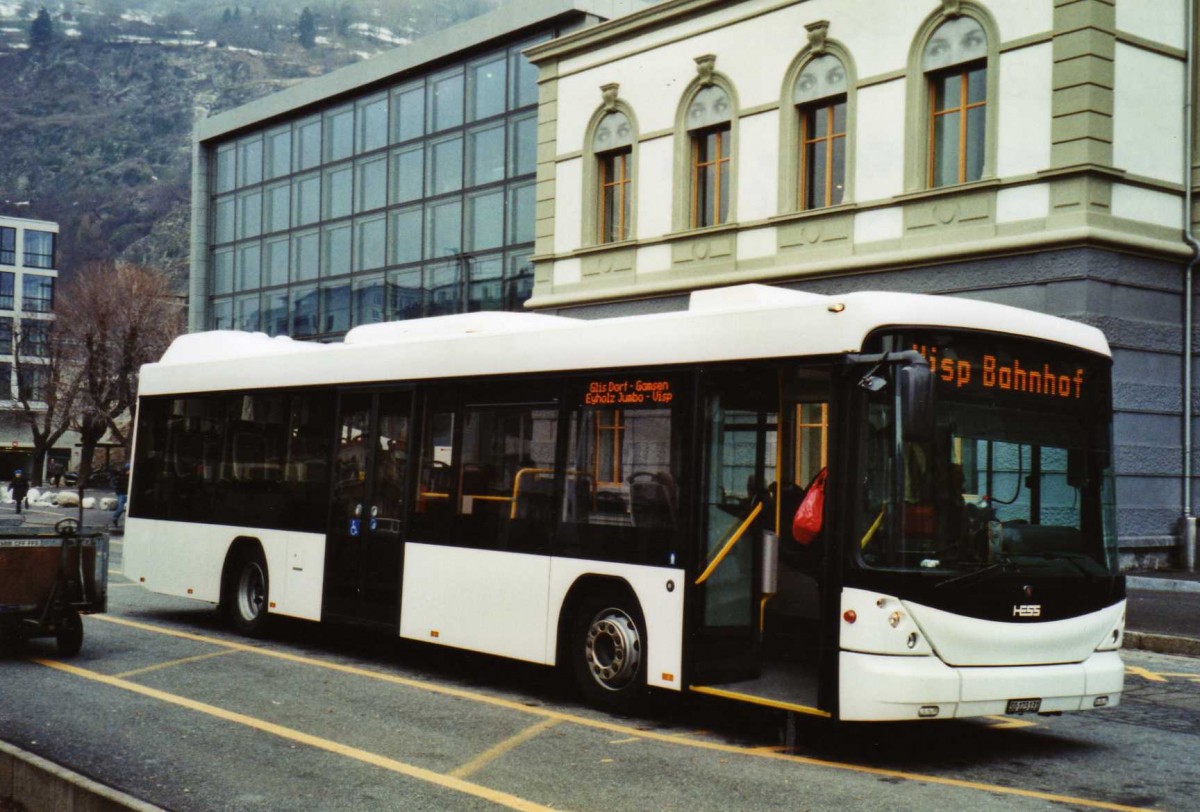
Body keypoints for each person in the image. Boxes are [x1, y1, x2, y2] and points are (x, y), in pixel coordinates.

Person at [112, 463, 130, 528]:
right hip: (122, 493)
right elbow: (115, 484)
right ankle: (115, 518)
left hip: (124, 493)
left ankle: (116, 519)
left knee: (121, 507)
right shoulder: (120, 476)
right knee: (120, 508)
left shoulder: (126, 476)